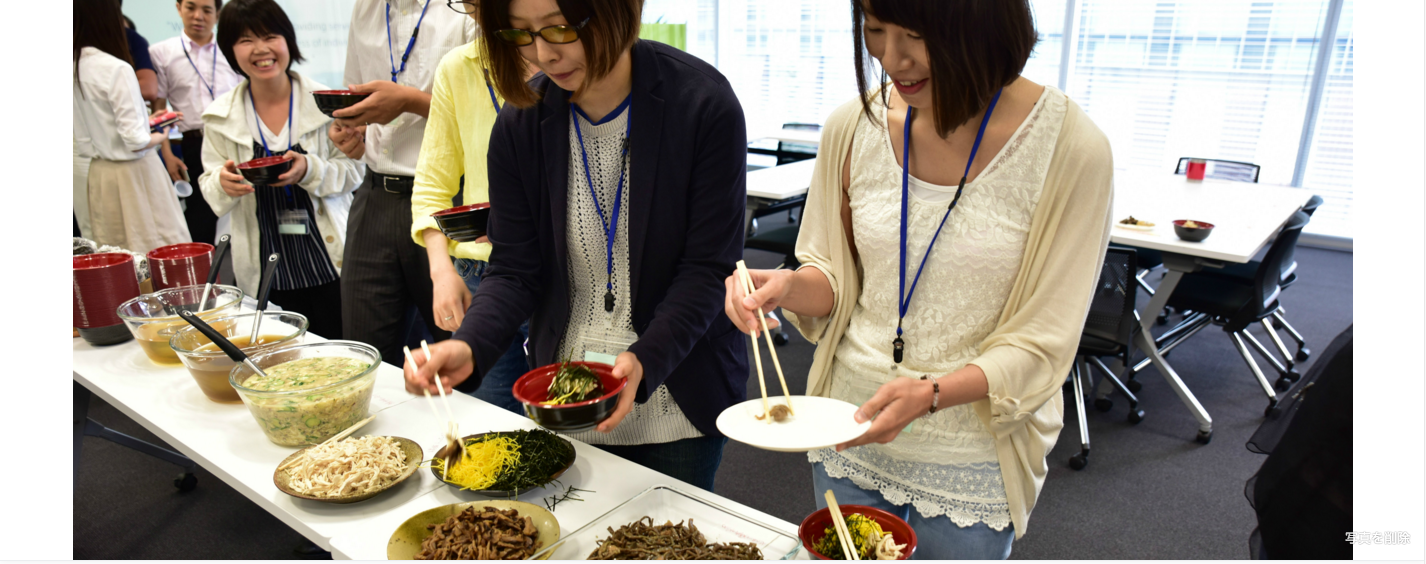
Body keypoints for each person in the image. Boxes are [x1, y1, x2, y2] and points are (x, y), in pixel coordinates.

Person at [724, 0, 1114, 558]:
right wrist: (787, 286)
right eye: (876, 31)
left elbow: (1044, 339)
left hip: (970, 450)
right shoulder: (852, 125)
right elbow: (834, 276)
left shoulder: (1070, 148)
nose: (892, 59)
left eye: (917, 35)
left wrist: (933, 394)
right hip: (849, 422)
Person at [405, 0, 749, 492]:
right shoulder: (522, 123)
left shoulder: (701, 103)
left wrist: (644, 359)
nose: (544, 54)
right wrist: (469, 345)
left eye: (560, 29)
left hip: (678, 388)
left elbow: (705, 269)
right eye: (522, 35)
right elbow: (515, 270)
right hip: (566, 393)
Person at [198, 0, 364, 340]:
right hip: (265, 265)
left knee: (340, 346)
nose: (260, 49)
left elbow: (353, 173)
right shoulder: (219, 117)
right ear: (231, 50)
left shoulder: (326, 103)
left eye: (269, 36)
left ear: (287, 40)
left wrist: (309, 169)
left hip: (328, 258)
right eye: (245, 40)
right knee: (282, 354)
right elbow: (208, 180)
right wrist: (222, 183)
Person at [329, 0, 476, 369]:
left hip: (451, 199)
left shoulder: (465, 8)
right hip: (375, 192)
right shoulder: (366, 9)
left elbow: (487, 108)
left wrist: (409, 102)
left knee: (463, 353)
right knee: (361, 357)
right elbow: (359, 101)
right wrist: (352, 130)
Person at [408, 0, 534, 414]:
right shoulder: (458, 67)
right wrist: (441, 272)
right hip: (482, 275)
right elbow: (432, 187)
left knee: (570, 429)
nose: (475, 9)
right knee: (491, 423)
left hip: (558, 277)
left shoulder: (565, 60)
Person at [74, 0, 191, 255]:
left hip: (99, 175)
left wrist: (144, 122)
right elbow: (136, 140)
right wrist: (160, 133)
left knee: (115, 257)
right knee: (159, 254)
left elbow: (90, 132)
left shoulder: (74, 65)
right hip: (135, 175)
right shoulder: (115, 68)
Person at [151, 0, 244, 246]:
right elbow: (159, 108)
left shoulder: (233, 49)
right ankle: (201, 281)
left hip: (235, 140)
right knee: (199, 218)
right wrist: (167, 154)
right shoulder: (162, 52)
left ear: (218, 14)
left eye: (206, 10)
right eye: (190, 7)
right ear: (178, 8)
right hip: (193, 144)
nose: (198, 16)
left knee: (241, 212)